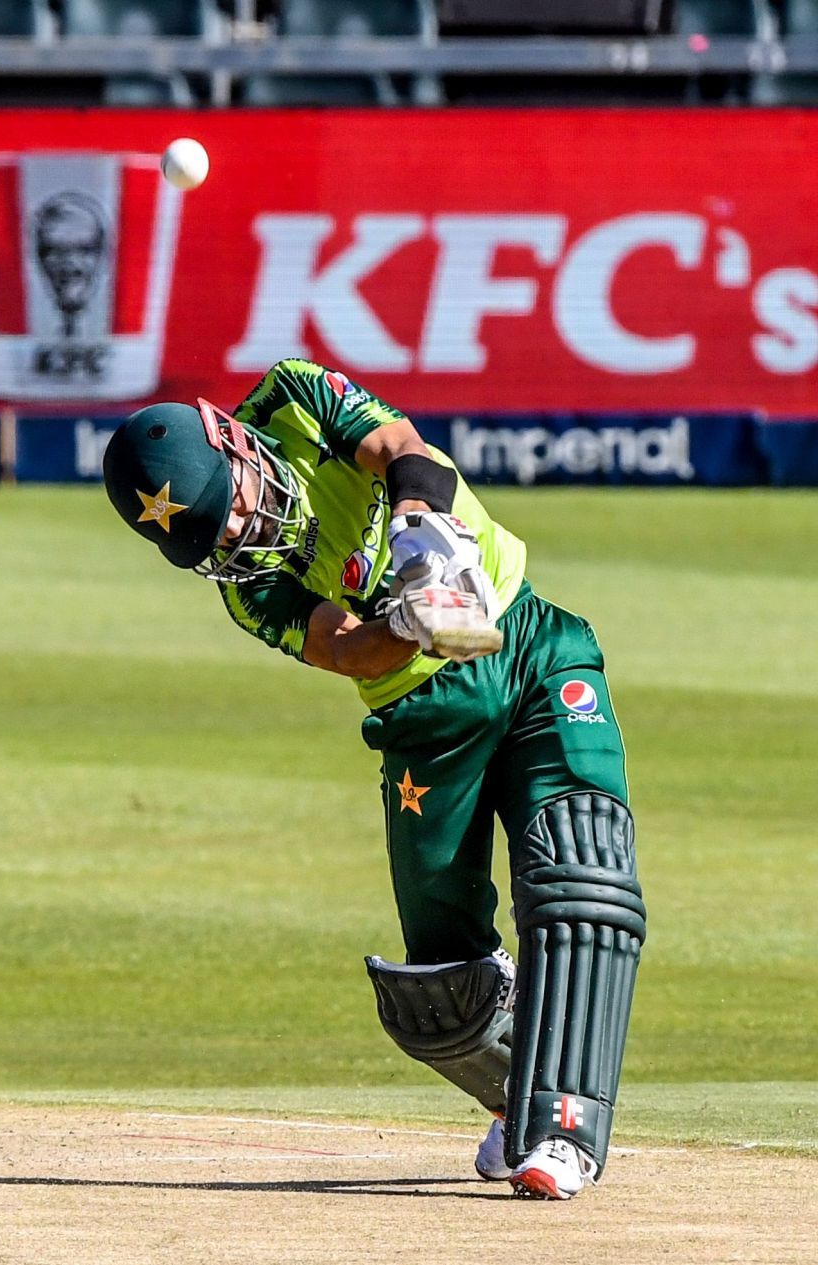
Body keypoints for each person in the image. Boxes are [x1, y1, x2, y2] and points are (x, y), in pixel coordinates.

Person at [101, 359, 646, 1201]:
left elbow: (399, 446)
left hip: (528, 641)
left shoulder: (292, 395)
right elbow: (347, 650)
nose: (244, 535)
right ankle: (519, 1096)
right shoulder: (251, 592)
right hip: (423, 721)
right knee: (443, 993)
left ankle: (565, 1126)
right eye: (217, 537)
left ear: (234, 441)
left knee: (579, 869)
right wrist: (412, 619)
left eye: (236, 506)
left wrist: (423, 535)